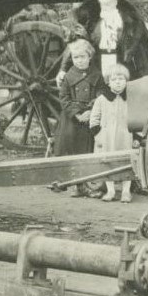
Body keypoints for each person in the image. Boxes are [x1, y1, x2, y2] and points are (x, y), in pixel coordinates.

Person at [64, 0, 148, 80]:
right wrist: (63, 69)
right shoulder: (88, 20)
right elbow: (76, 46)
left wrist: (145, 79)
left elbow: (144, 53)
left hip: (125, 73)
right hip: (97, 73)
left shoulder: (132, 20)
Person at [55, 39, 102, 196]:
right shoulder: (68, 77)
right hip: (72, 120)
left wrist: (90, 111)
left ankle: (87, 185)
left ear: (89, 57)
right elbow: (64, 98)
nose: (79, 61)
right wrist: (76, 114)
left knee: (87, 150)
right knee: (72, 150)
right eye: (76, 58)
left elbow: (100, 94)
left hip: (89, 117)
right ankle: (76, 185)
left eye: (82, 57)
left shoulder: (96, 74)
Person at [89, 64, 134, 203]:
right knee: (107, 164)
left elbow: (137, 118)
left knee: (127, 162)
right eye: (114, 79)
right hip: (106, 138)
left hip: (126, 136)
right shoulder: (102, 99)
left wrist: (137, 137)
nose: (118, 82)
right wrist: (99, 135)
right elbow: (94, 119)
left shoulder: (131, 98)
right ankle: (111, 191)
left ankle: (126, 191)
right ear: (108, 82)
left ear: (126, 81)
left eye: (121, 79)